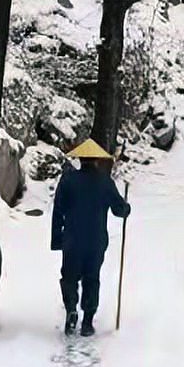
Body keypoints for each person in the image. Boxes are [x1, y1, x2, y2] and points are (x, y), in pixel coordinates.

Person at [51, 138, 131, 336]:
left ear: (80, 159)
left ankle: (71, 309)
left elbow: (58, 210)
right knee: (91, 278)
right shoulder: (105, 181)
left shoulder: (68, 180)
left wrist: (57, 239)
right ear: (97, 160)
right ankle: (87, 322)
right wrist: (126, 208)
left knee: (69, 277)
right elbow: (118, 209)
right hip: (96, 241)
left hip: (72, 239)